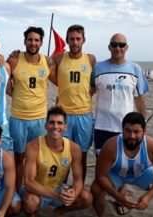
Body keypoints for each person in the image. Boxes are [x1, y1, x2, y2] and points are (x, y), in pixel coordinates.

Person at [91, 33, 149, 214]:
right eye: (114, 45)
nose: (117, 48)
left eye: (121, 45)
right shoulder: (98, 67)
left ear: (126, 47)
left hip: (126, 129)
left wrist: (143, 126)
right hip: (102, 126)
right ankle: (103, 199)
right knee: (103, 166)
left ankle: (121, 195)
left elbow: (139, 99)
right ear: (109, 46)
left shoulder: (135, 68)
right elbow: (88, 93)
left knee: (124, 165)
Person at [22, 106, 93, 217]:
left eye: (59, 123)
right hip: (37, 189)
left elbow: (78, 180)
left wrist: (73, 194)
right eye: (52, 122)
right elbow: (28, 182)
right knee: (30, 202)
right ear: (46, 125)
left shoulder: (74, 148)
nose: (55, 127)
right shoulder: (33, 146)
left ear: (65, 127)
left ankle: (59, 212)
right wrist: (57, 196)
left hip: (58, 188)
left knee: (86, 197)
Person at [6, 26, 55, 190]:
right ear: (25, 41)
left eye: (36, 40)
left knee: (38, 157)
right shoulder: (14, 60)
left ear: (41, 43)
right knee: (19, 158)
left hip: (40, 119)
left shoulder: (47, 61)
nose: (33, 43)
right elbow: (7, 87)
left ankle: (35, 189)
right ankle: (17, 190)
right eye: (30, 39)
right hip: (18, 118)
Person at [50, 24, 96, 182]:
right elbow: (44, 70)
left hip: (84, 115)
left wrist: (92, 89)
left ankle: (79, 188)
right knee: (63, 154)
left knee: (81, 155)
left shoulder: (90, 59)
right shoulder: (59, 58)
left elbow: (95, 81)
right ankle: (61, 186)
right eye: (72, 39)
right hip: (65, 115)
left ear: (84, 40)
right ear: (67, 40)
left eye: (78, 39)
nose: (75, 42)